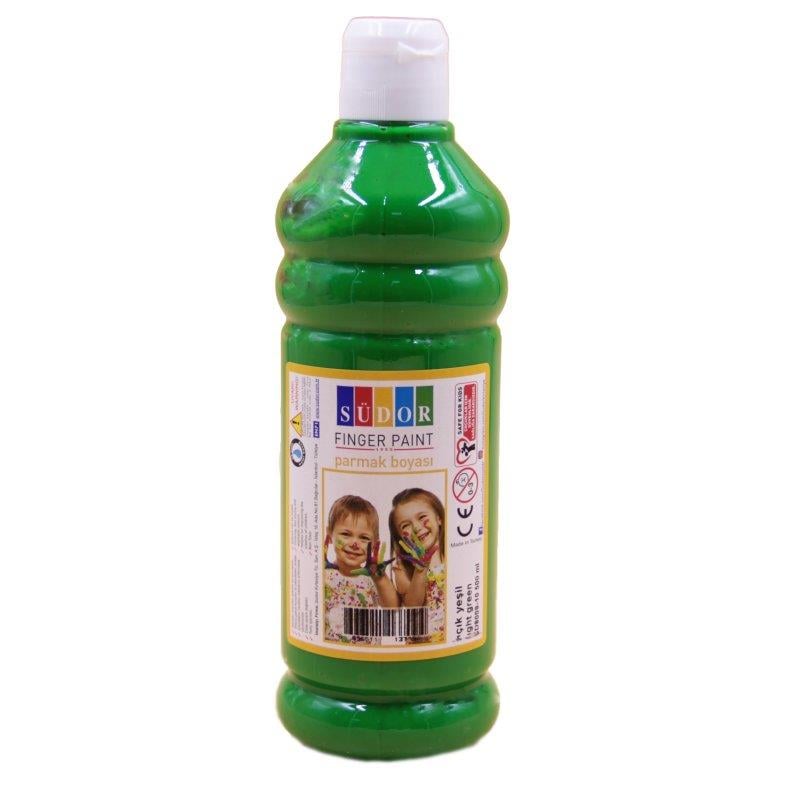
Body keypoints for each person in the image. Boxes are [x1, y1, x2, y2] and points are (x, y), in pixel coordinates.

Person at [324, 495, 398, 644]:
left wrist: (380, 578)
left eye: (364, 538)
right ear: (330, 535)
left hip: (369, 652)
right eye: (346, 534)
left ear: (375, 544)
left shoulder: (372, 579)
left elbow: (392, 608)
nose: (355, 544)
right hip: (333, 652)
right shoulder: (323, 576)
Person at [389, 488, 446, 643]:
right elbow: (412, 605)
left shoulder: (452, 556)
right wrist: (420, 570)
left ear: (439, 518)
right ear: (400, 537)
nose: (416, 527)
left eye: (422, 517)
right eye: (405, 526)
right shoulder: (402, 568)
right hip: (422, 644)